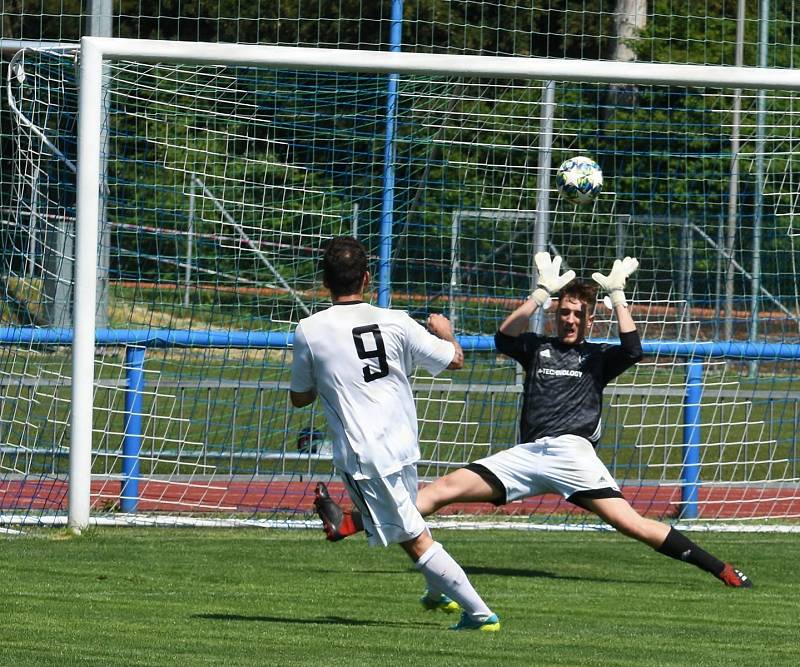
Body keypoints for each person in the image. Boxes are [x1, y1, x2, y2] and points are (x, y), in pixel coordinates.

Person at [314, 252, 753, 589]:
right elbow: (504, 336)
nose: (570, 318)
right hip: (527, 455)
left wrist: (617, 296)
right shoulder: (537, 347)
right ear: (555, 313)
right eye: (564, 311)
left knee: (632, 524)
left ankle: (722, 569)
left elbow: (634, 350)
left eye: (578, 313)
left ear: (589, 319)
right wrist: (539, 294)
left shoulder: (597, 358)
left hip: (573, 455)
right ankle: (347, 523)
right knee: (440, 491)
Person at [290, 236, 500, 632]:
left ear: (324, 282)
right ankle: (438, 593)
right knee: (407, 520)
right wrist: (446, 332)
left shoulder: (310, 330)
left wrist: (327, 377)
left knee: (412, 537)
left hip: (364, 454)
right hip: (403, 444)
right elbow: (455, 359)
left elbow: (300, 398)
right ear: (367, 278)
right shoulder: (397, 320)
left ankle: (479, 614)